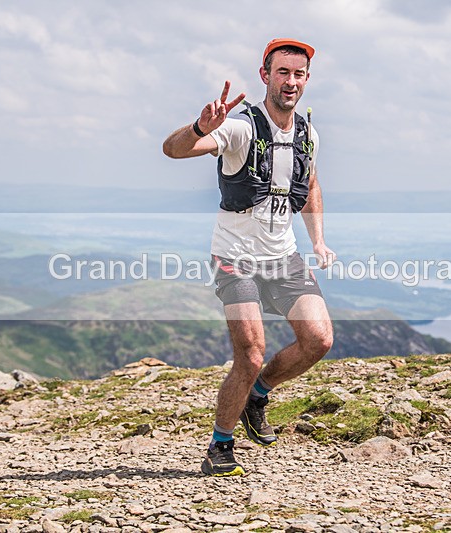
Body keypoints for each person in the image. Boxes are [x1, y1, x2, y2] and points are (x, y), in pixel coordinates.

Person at [162, 38, 336, 476]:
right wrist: (200, 129)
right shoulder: (239, 128)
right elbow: (174, 150)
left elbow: (309, 184)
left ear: (307, 80)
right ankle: (220, 446)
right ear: (265, 75)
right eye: (282, 72)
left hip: (285, 257)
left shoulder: (308, 134)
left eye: (298, 74)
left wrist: (318, 240)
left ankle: (258, 394)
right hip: (235, 257)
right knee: (251, 352)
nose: (290, 81)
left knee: (319, 340)